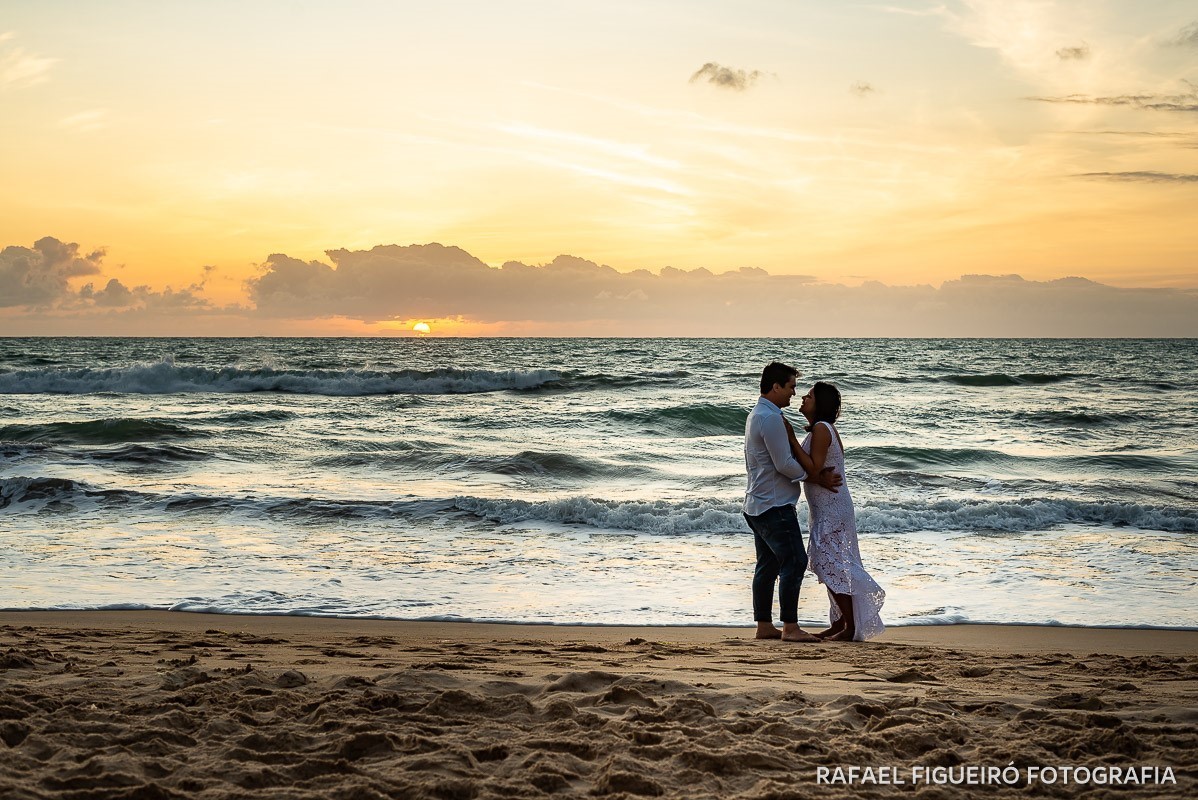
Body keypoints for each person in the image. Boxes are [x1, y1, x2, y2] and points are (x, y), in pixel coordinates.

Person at [743, 362, 842, 643]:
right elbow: (784, 464)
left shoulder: (757, 414)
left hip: (756, 502)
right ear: (776, 387)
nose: (793, 393)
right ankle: (790, 627)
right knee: (795, 561)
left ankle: (764, 625)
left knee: (768, 565)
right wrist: (815, 477)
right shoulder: (771, 418)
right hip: (773, 505)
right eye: (790, 387)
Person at [786, 381, 885, 642]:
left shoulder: (821, 429)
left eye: (809, 396)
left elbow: (814, 468)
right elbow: (815, 471)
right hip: (828, 506)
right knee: (829, 561)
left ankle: (850, 626)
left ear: (820, 404)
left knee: (831, 562)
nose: (803, 398)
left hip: (832, 506)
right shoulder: (821, 429)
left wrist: (791, 440)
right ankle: (841, 621)